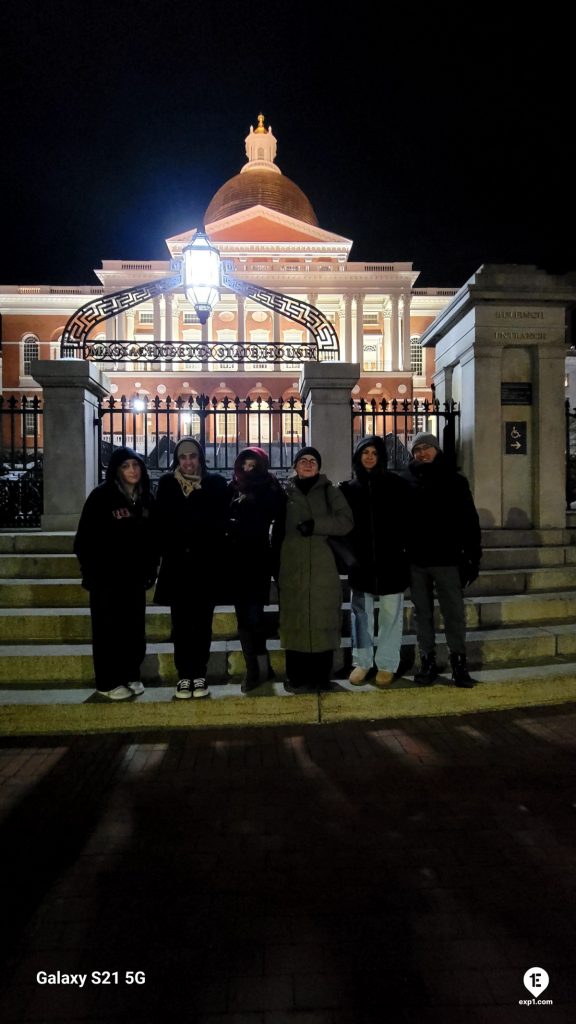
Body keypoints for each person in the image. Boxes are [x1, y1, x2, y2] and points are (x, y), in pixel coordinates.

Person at [74, 447, 158, 700]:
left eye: (136, 465)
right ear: (117, 470)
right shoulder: (101, 497)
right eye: (126, 466)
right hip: (106, 579)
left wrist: (150, 568)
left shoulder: (146, 499)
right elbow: (84, 540)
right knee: (108, 630)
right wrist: (93, 572)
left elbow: (153, 540)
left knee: (133, 630)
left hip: (134, 578)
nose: (132, 470)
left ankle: (130, 674)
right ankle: (107, 681)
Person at [401, 432, 482, 687]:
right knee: (422, 614)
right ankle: (427, 660)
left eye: (427, 448)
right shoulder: (406, 482)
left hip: (447, 559)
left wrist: (472, 557)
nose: (422, 453)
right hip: (417, 560)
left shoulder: (455, 481)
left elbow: (469, 521)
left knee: (453, 613)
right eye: (417, 450)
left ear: (436, 450)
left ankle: (459, 662)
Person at [153, 437, 228, 699]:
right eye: (183, 457)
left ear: (200, 458)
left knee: (202, 625)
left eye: (192, 456)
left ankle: (200, 674)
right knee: (181, 624)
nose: (188, 462)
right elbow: (160, 522)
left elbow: (220, 523)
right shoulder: (167, 484)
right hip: (177, 567)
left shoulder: (215, 484)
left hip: (205, 567)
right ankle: (184, 675)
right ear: (177, 459)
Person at [276, 446, 353, 692]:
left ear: (319, 467)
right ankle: (296, 675)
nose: (308, 464)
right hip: (293, 566)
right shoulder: (285, 492)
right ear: (295, 465)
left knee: (322, 619)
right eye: (303, 461)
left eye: (313, 461)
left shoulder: (331, 491)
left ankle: (320, 675)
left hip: (322, 566)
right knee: (295, 619)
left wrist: (317, 525)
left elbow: (346, 521)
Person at [339, 435, 413, 688]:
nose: (369, 457)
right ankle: (362, 661)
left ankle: (387, 663)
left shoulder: (397, 485)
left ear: (381, 457)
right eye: (365, 452)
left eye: (374, 452)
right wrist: (349, 558)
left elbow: (408, 521)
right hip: (361, 564)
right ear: (358, 456)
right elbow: (342, 528)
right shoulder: (347, 489)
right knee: (361, 614)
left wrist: (403, 551)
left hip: (391, 561)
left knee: (391, 615)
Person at [227, 447, 286, 692]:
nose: (248, 470)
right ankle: (257, 668)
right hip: (237, 561)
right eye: (244, 465)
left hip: (260, 559)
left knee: (254, 616)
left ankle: (259, 668)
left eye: (253, 466)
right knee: (244, 617)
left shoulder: (270, 488)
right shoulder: (232, 488)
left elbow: (279, 519)